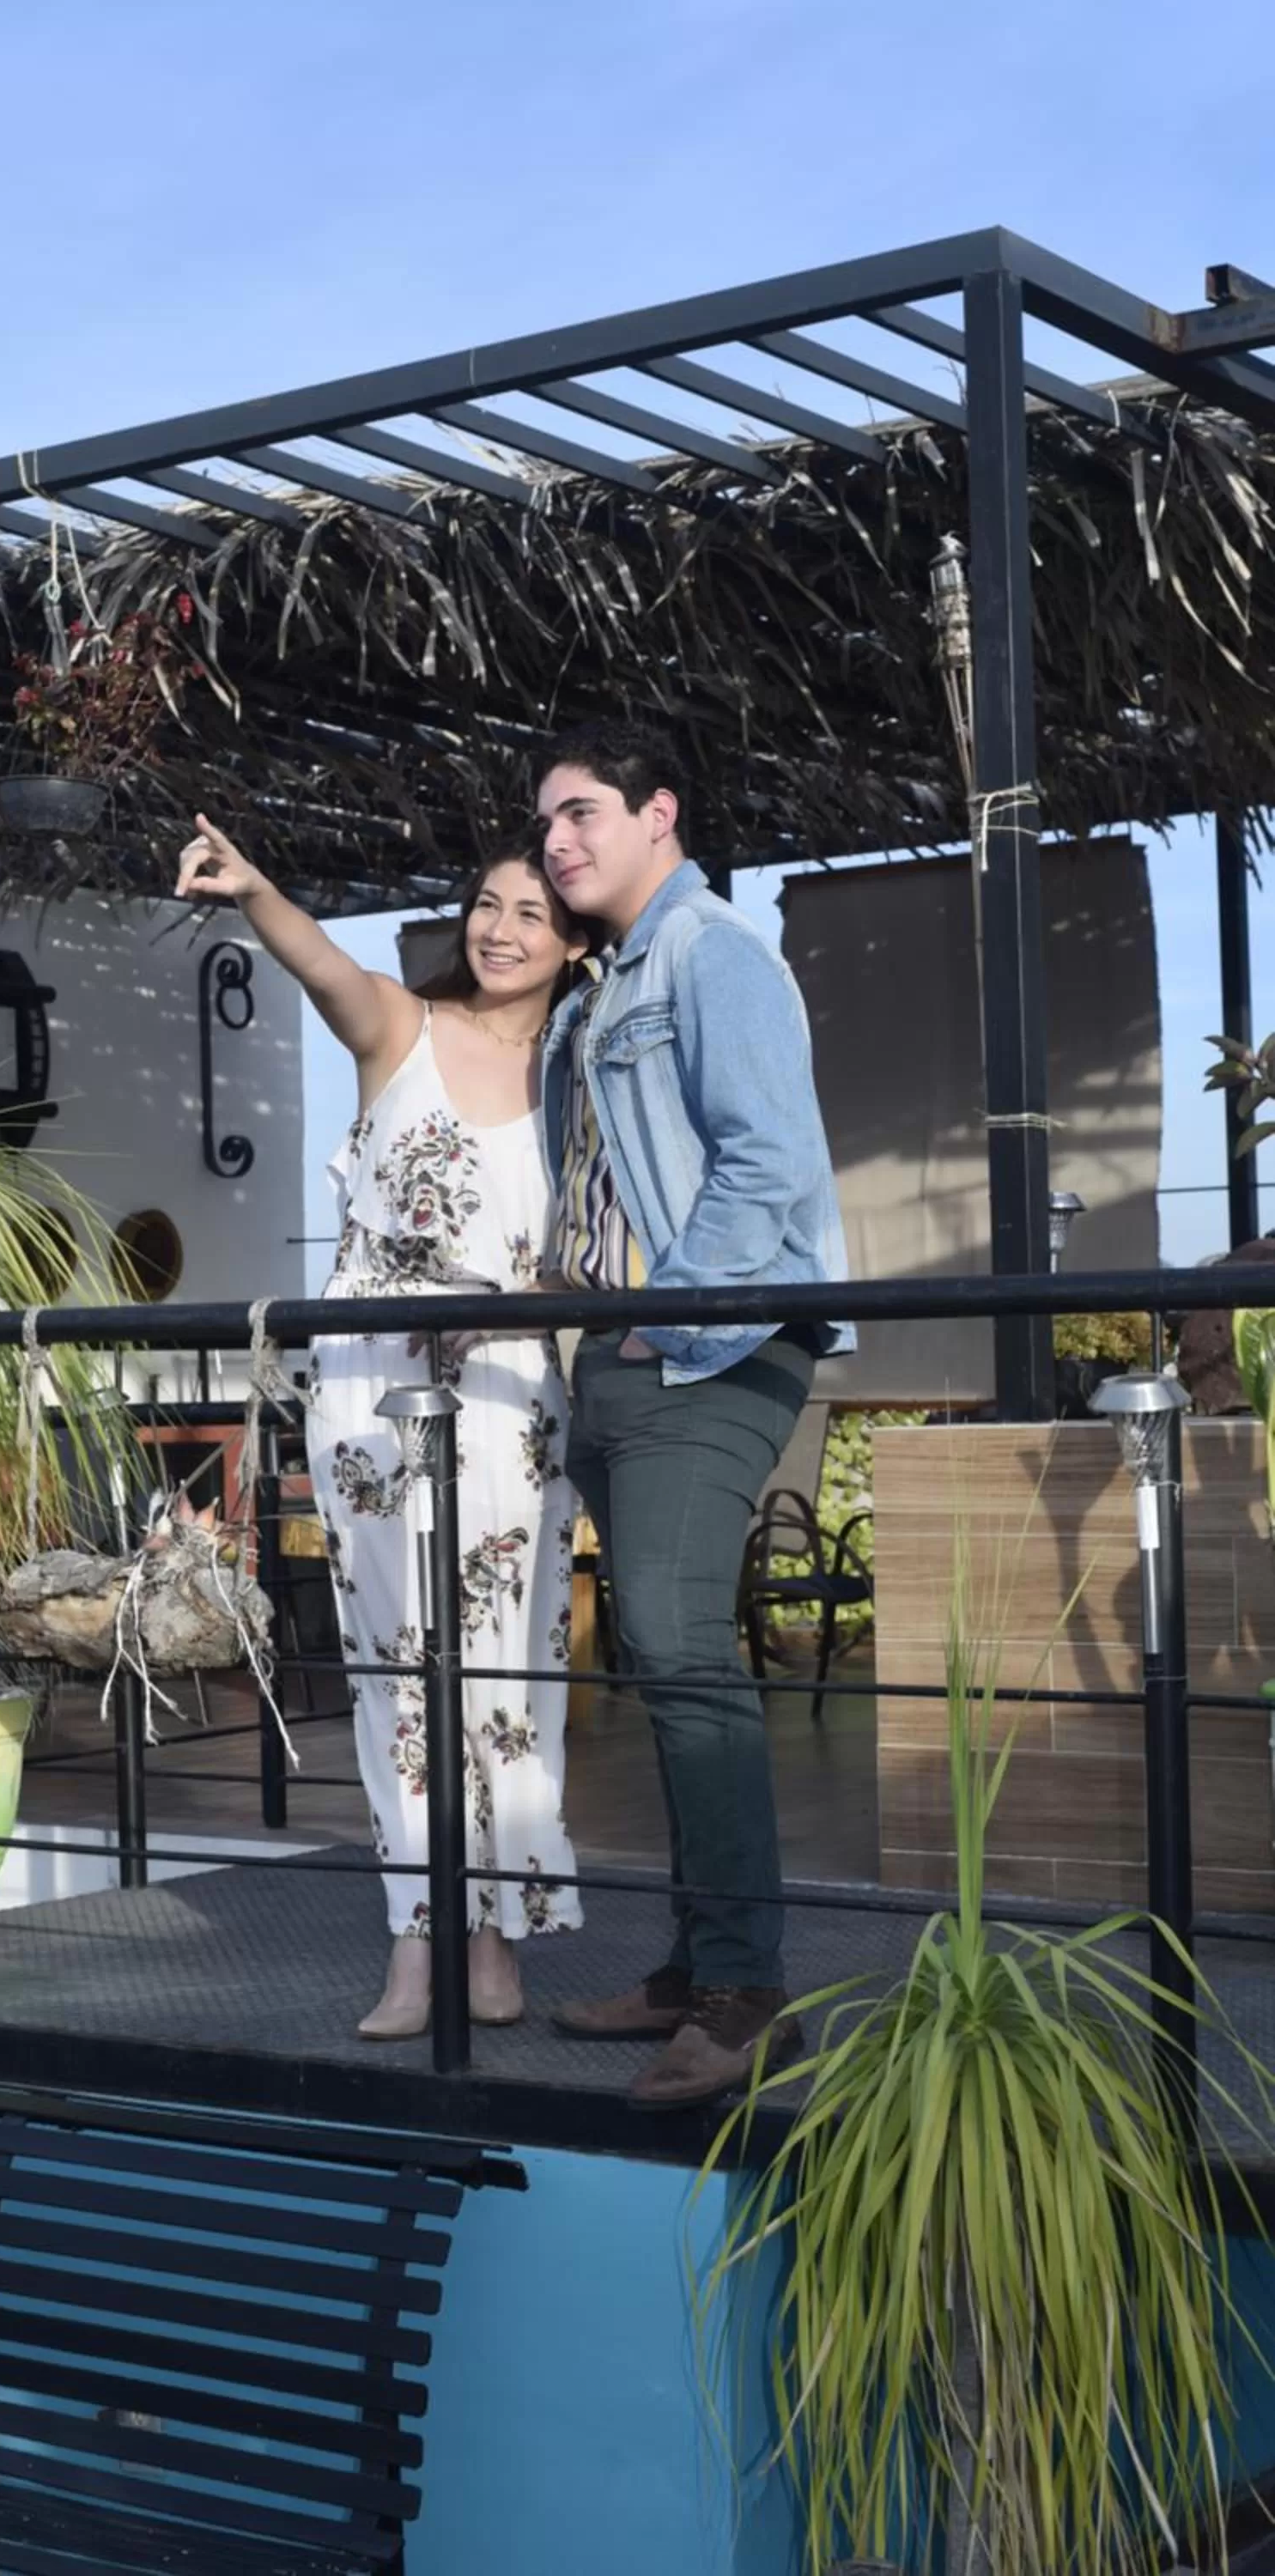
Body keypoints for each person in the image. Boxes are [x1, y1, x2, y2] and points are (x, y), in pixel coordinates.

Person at [174, 816, 590, 2040]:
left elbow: (595, 1250)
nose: (499, 928)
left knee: (508, 1673)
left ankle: (500, 1936)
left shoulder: (583, 1077)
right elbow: (325, 970)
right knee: (396, 1681)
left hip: (508, 1396)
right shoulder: (403, 1033)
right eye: (485, 903)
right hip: (368, 1393)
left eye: (531, 913)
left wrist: (535, 1302)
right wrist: (255, 887)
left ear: (573, 944)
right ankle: (415, 1941)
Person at [533, 720, 852, 2110]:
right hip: (624, 1354)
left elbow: (768, 1162)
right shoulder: (597, 986)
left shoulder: (711, 952)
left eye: (583, 813)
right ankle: (690, 1959)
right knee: (666, 1667)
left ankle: (741, 1996)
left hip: (711, 1348)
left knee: (670, 1639)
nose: (557, 841)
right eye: (544, 821)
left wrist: (668, 1312)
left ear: (658, 812)